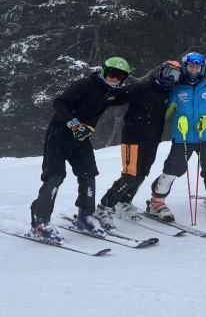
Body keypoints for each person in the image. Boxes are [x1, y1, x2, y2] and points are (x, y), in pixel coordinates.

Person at [28, 57, 131, 242]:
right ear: (103, 71)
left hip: (81, 137)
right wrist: (73, 123)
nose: (115, 79)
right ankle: (40, 221)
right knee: (55, 175)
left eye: (120, 76)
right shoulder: (85, 84)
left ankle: (85, 216)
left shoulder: (112, 92)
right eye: (112, 74)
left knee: (88, 173)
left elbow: (134, 93)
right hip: (59, 133)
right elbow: (59, 103)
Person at [97, 60, 181, 228]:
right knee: (130, 175)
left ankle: (124, 202)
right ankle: (104, 207)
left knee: (142, 174)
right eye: (169, 73)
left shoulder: (168, 93)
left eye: (176, 75)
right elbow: (115, 96)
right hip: (133, 139)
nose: (171, 78)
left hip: (153, 139)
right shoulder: (142, 88)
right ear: (160, 72)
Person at [148, 52, 206, 221]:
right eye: (191, 66)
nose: (194, 70)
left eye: (197, 67)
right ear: (185, 67)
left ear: (202, 68)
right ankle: (157, 201)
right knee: (173, 169)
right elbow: (164, 111)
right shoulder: (177, 87)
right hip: (182, 137)